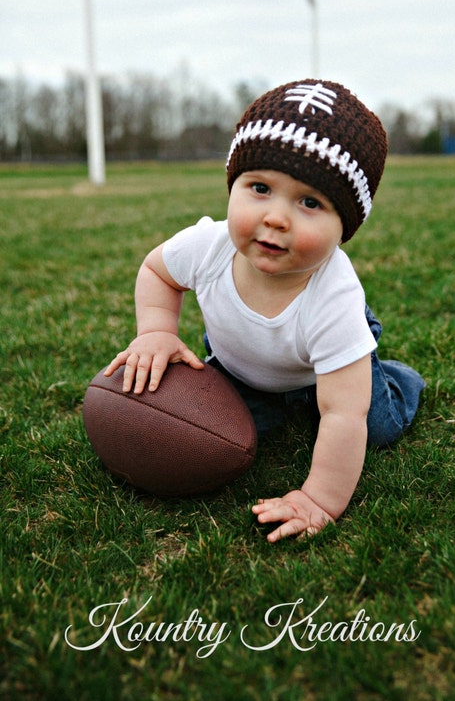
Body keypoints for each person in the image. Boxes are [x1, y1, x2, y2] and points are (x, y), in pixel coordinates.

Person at [105, 79, 425, 543]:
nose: (276, 217)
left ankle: (397, 380)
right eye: (260, 188)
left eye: (309, 202)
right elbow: (158, 271)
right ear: (232, 185)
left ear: (344, 227)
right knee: (213, 428)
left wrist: (318, 499)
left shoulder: (333, 299)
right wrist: (156, 331)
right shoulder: (208, 246)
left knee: (370, 426)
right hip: (242, 367)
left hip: (323, 372)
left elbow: (342, 415)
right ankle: (276, 398)